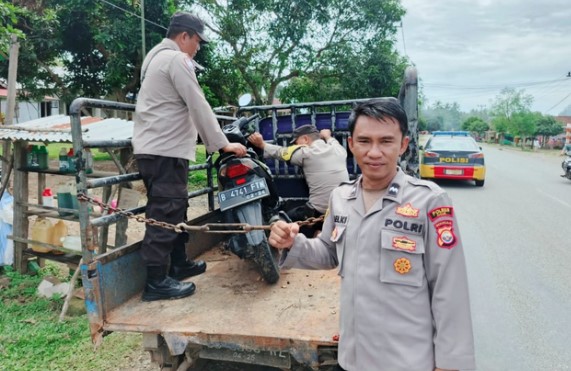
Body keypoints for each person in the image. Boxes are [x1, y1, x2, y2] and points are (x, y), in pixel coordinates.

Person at [269, 98, 475, 371]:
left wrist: (450, 364)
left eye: (386, 141)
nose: (374, 152)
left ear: (403, 145)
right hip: (353, 357)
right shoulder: (341, 197)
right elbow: (329, 252)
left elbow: (450, 288)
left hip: (407, 361)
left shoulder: (430, 201)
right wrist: (292, 243)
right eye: (364, 141)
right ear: (351, 145)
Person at [133, 11, 247, 302]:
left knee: (175, 209)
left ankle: (180, 263)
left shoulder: (155, 60)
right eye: (197, 41)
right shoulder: (176, 60)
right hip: (164, 152)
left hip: (160, 149)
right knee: (164, 212)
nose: (198, 48)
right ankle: (156, 282)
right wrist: (222, 145)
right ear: (184, 36)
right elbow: (198, 104)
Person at [248, 125, 349, 236]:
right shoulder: (339, 150)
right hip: (344, 210)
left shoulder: (307, 153)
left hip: (319, 212)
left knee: (282, 221)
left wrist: (262, 144)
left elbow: (281, 152)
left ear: (305, 139)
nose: (295, 145)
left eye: (296, 142)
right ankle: (319, 235)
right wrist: (327, 136)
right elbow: (333, 141)